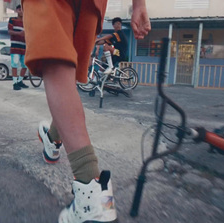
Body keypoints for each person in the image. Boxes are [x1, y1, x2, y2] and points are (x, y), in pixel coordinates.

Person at [22, 0, 150, 222]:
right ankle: (52, 139)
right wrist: (139, 4)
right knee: (66, 79)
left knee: (57, 68)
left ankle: (91, 196)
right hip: (93, 5)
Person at [8, 4, 28, 91]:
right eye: (19, 9)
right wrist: (19, 33)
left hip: (24, 47)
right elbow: (9, 31)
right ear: (16, 11)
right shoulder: (12, 20)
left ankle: (20, 81)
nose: (21, 11)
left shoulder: (27, 22)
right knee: (14, 64)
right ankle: (14, 83)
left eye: (22, 9)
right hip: (15, 46)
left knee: (25, 65)